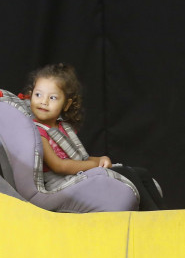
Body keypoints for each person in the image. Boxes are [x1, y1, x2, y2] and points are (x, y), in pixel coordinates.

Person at [25, 63, 165, 210]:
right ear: (31, 94)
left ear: (66, 104)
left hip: (75, 174)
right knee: (126, 173)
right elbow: (59, 166)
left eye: (52, 97)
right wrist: (94, 165)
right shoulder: (37, 131)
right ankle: (153, 220)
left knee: (142, 173)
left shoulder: (61, 127)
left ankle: (165, 215)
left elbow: (77, 160)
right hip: (60, 183)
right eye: (38, 94)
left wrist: (100, 159)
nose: (43, 101)